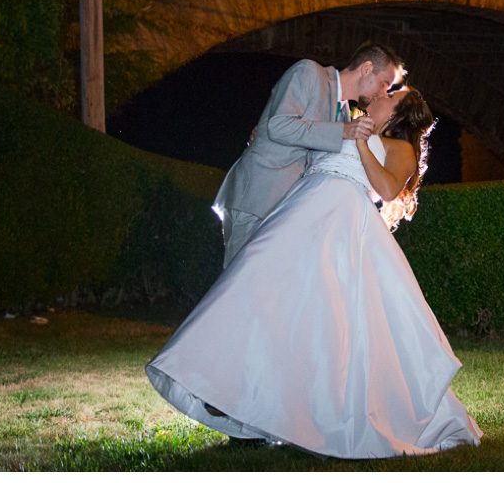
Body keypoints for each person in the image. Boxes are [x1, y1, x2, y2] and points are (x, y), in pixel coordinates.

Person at [146, 87, 482, 459]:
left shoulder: (401, 148)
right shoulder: (344, 124)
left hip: (341, 221)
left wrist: (362, 143)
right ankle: (219, 382)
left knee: (324, 321)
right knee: (256, 286)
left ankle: (310, 413)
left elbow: (386, 189)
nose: (382, 94)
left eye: (391, 95)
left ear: (399, 113)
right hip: (301, 208)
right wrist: (270, 142)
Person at [212, 42, 403, 268]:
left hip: (286, 215)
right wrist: (342, 132)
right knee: (238, 292)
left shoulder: (345, 114)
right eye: (384, 84)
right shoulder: (309, 72)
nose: (382, 94)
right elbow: (278, 126)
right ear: (366, 68)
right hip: (258, 201)